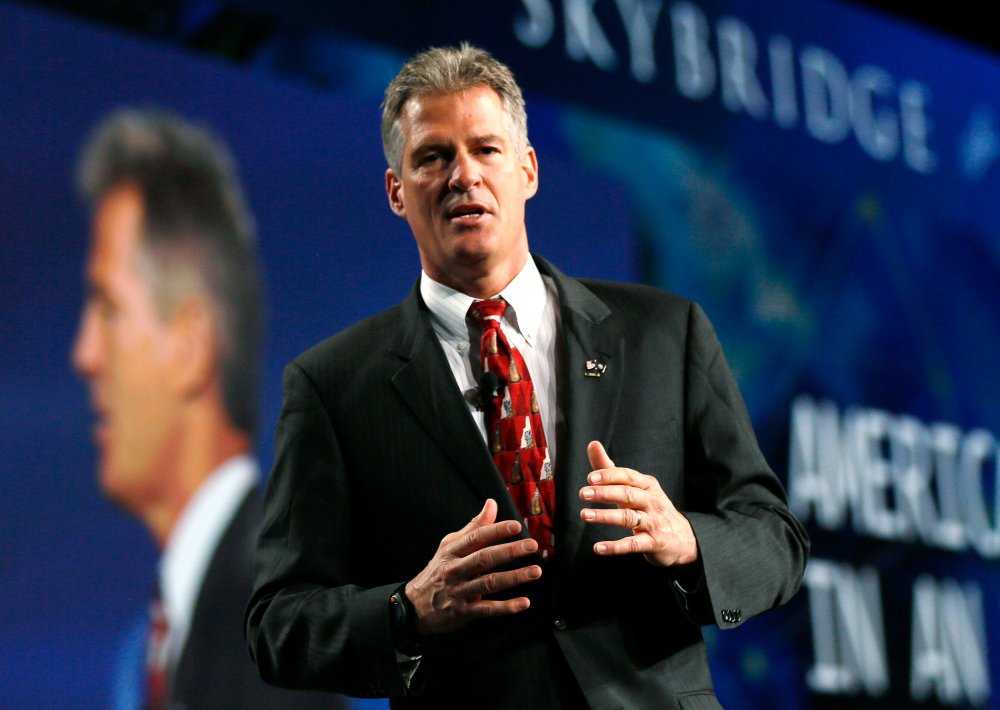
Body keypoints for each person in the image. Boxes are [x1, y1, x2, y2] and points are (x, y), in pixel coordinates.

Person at [246, 44, 809, 709]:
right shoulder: (333, 386)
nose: (464, 175)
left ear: (528, 170)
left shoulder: (665, 333)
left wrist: (687, 541)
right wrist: (410, 608)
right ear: (397, 191)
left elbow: (775, 538)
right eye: (433, 157)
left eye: (485, 149)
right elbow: (279, 624)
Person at [72, 108, 346, 710]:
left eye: (108, 309)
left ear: (190, 344)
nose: (85, 354)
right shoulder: (210, 610)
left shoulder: (267, 614)